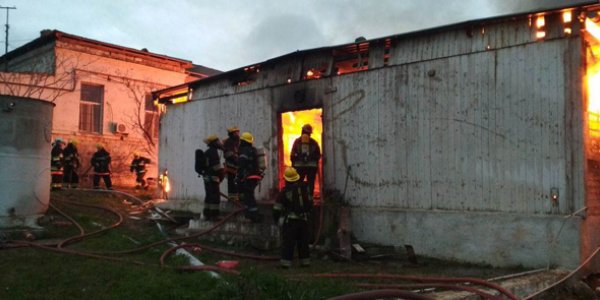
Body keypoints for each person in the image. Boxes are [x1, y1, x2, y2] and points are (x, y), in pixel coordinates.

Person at [273, 167, 313, 268]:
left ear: (286, 180)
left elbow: (277, 208)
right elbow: (310, 203)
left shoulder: (285, 192)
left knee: (288, 243)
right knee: (303, 242)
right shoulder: (305, 188)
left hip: (291, 222)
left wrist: (277, 220)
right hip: (304, 221)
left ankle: (286, 264)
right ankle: (305, 262)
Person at [236, 132, 264, 222]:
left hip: (248, 176)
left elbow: (241, 164)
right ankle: (252, 215)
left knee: (248, 197)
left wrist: (239, 175)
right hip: (255, 176)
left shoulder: (244, 150)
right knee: (249, 195)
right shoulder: (253, 150)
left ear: (244, 141)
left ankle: (253, 216)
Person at [290, 124, 321, 197]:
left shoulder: (297, 141)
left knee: (298, 183)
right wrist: (312, 160)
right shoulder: (314, 142)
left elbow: (292, 155)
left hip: (299, 168)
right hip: (311, 168)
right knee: (310, 184)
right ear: (310, 133)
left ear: (302, 131)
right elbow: (318, 156)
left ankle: (299, 199)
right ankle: (310, 199)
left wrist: (293, 165)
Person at [203, 135, 225, 221]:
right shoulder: (213, 152)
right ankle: (214, 215)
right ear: (214, 143)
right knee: (215, 196)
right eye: (218, 141)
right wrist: (221, 176)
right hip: (213, 177)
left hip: (206, 177)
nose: (219, 143)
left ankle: (207, 215)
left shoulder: (207, 152)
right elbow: (217, 167)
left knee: (208, 196)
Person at [223, 126, 240, 201]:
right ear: (232, 133)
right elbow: (228, 154)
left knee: (237, 182)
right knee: (231, 182)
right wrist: (235, 158)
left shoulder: (238, 141)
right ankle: (232, 197)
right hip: (231, 166)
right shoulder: (228, 142)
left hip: (237, 166)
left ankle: (236, 196)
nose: (238, 133)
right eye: (236, 132)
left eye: (238, 132)